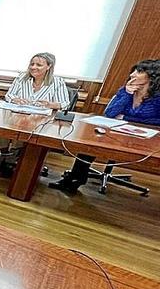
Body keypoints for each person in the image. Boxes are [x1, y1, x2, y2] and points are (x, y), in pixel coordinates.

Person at [50, 59, 160, 194]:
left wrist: (126, 117)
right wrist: (127, 93)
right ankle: (75, 179)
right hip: (118, 131)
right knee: (90, 144)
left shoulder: (157, 98)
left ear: (152, 76)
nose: (133, 74)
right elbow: (110, 113)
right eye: (134, 70)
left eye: (139, 72)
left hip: (145, 139)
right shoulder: (125, 91)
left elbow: (156, 121)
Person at [0, 52, 69, 175]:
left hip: (41, 120)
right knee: (1, 127)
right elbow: (9, 95)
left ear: (49, 66)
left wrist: (50, 104)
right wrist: (15, 99)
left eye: (39, 65)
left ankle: (13, 156)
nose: (33, 67)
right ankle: (5, 153)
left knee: (24, 128)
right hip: (17, 114)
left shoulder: (57, 82)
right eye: (32, 64)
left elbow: (65, 103)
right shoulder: (22, 78)